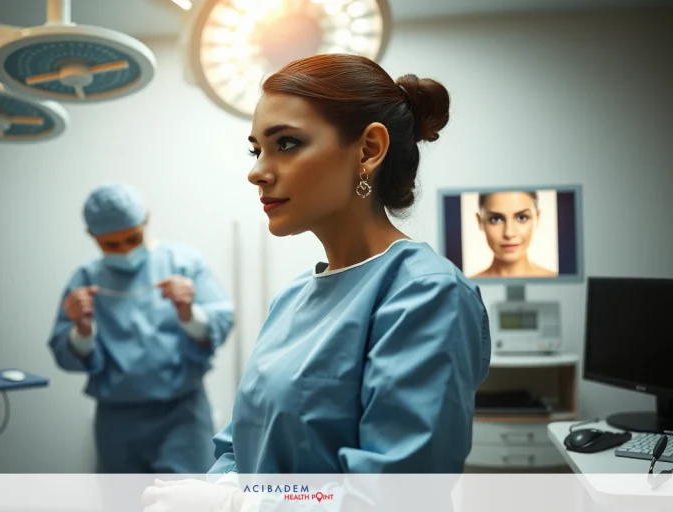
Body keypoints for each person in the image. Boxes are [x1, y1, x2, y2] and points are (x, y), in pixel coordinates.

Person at [143, 54, 491, 510]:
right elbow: (240, 446)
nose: (256, 171)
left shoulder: (426, 295)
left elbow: (394, 497)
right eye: (256, 149)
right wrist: (215, 488)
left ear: (369, 149)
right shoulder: (293, 299)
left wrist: (235, 506)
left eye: (286, 143)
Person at [47, 182, 235, 474]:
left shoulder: (183, 264)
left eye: (133, 238)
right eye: (111, 244)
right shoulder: (86, 279)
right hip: (117, 420)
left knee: (192, 501)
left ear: (146, 219)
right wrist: (82, 329)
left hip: (182, 414)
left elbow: (221, 322)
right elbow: (63, 351)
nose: (124, 250)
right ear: (92, 236)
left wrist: (188, 312)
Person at [472, 191, 557, 278]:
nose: (509, 233)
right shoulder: (465, 289)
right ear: (480, 221)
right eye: (496, 219)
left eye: (522, 218)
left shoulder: (561, 284)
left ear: (537, 218)